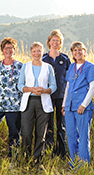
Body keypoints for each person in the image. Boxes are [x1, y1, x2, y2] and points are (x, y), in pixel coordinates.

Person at [18, 42, 57, 164]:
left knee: (41, 133)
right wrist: (31, 89)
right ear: (31, 52)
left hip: (43, 103)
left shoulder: (48, 67)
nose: (36, 53)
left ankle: (37, 160)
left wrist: (45, 90)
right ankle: (25, 158)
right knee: (26, 132)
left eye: (39, 51)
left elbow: (54, 86)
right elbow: (20, 85)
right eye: (34, 51)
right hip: (28, 102)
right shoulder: (26, 66)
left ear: (42, 52)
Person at [61, 41, 94, 167]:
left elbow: (93, 86)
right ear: (72, 53)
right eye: (75, 50)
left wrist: (84, 104)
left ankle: (83, 164)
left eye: (80, 50)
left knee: (83, 136)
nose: (77, 52)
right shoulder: (71, 67)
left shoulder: (90, 67)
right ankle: (73, 163)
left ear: (85, 52)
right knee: (70, 134)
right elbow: (68, 86)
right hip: (70, 106)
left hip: (83, 107)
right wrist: (64, 105)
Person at [42, 29, 70, 158]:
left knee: (61, 125)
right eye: (53, 40)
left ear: (60, 43)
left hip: (61, 96)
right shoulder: (43, 59)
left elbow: (70, 78)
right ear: (49, 42)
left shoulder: (65, 58)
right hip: (47, 96)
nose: (55, 42)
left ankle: (62, 152)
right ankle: (49, 151)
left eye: (58, 41)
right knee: (48, 124)